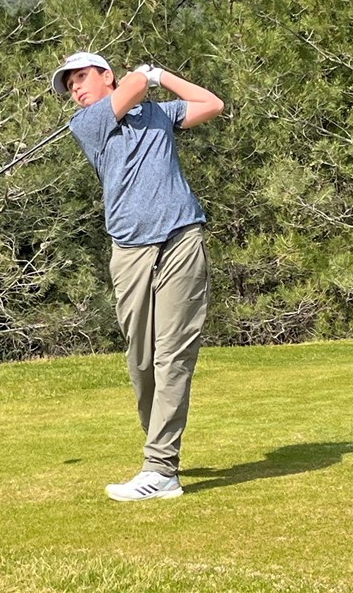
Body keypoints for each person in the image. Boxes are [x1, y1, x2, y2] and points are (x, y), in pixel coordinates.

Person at [51, 51, 224, 501]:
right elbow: (132, 87)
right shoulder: (87, 124)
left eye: (81, 77)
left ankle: (160, 468)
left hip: (181, 240)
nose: (75, 89)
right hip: (130, 252)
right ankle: (159, 445)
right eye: (70, 85)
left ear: (105, 75)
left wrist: (162, 75)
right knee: (141, 362)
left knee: (172, 356)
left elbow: (212, 104)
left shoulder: (158, 115)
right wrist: (143, 76)